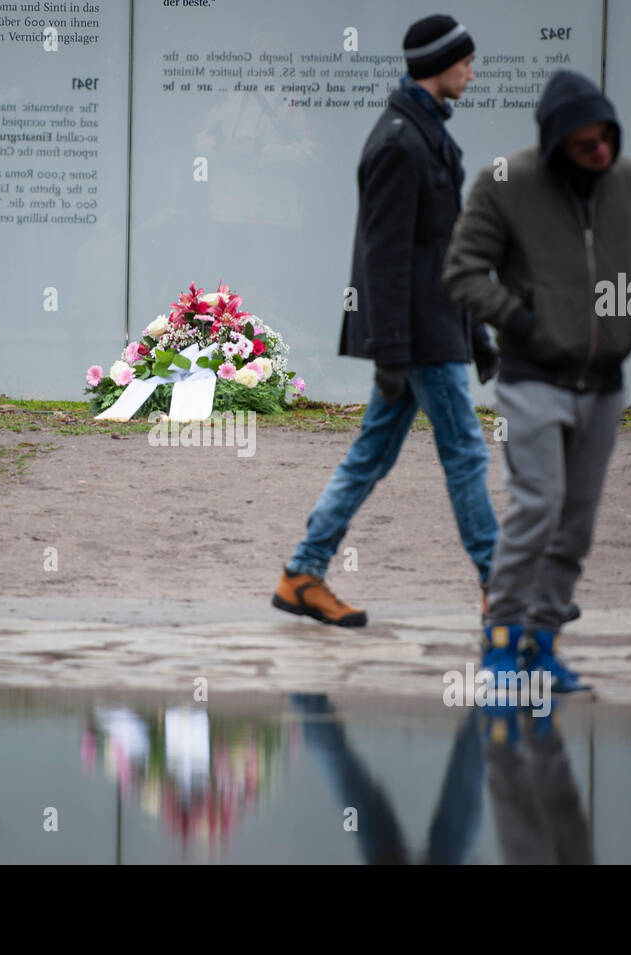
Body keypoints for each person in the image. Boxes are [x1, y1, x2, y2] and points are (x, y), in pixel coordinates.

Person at [443, 70, 631, 693]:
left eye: (606, 139)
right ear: (554, 145)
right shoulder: (505, 182)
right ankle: (500, 641)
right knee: (538, 507)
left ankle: (543, 646)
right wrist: (524, 323)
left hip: (604, 383)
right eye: (584, 144)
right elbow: (462, 273)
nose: (600, 153)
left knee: (576, 523)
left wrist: (627, 331)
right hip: (531, 378)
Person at [273, 15, 499, 628]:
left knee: (371, 453)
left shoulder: (424, 135)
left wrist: (476, 331)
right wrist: (396, 352)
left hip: (431, 329)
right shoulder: (400, 141)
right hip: (419, 337)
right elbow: (384, 255)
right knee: (467, 454)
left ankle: (301, 574)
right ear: (439, 65)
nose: (473, 73)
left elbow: (444, 249)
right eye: (466, 62)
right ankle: (501, 587)